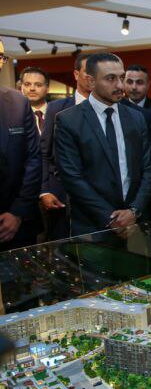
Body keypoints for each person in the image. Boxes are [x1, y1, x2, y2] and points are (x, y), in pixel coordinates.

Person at [54, 53, 151, 237]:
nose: (120, 85)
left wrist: (134, 211)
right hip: (92, 227)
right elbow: (72, 178)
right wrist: (111, 218)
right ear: (91, 81)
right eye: (110, 79)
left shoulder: (136, 117)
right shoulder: (68, 120)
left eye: (121, 77)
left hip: (136, 224)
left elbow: (148, 168)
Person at [39, 53, 91, 240]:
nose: (92, 77)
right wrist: (44, 190)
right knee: (61, 248)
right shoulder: (56, 108)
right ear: (76, 74)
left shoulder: (108, 109)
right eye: (88, 72)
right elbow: (44, 152)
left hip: (98, 196)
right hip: (60, 196)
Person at [0, 38, 42, 250]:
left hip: (15, 222)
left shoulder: (18, 102)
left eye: (1, 56)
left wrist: (17, 212)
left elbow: (33, 158)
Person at [19, 67, 50, 135]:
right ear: (21, 87)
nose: (32, 88)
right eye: (27, 84)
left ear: (47, 88)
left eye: (38, 85)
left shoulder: (59, 114)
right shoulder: (12, 116)